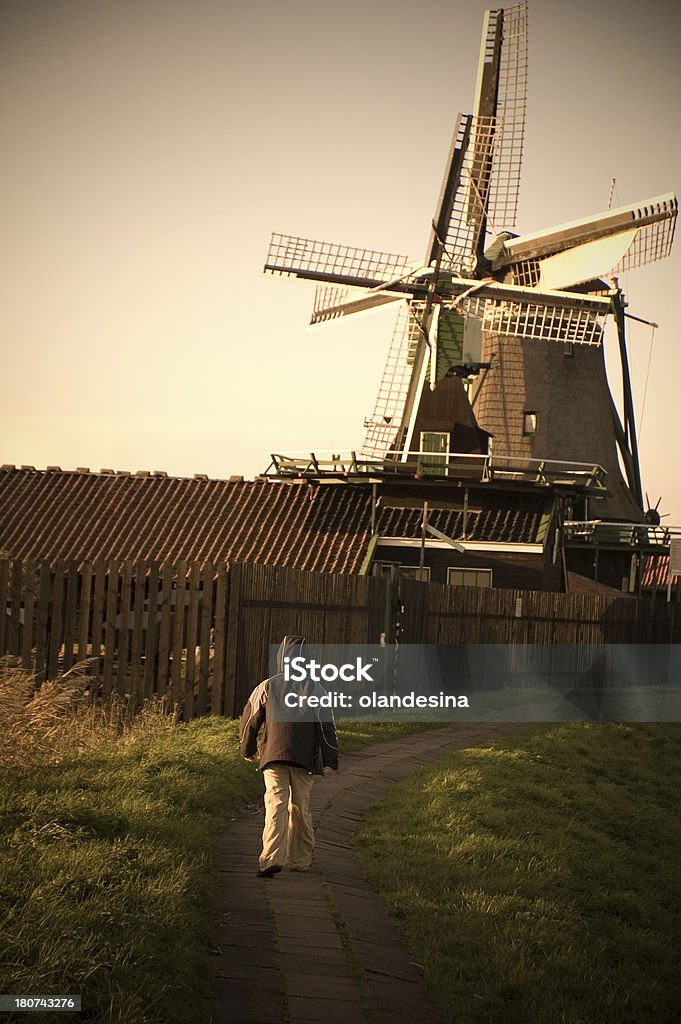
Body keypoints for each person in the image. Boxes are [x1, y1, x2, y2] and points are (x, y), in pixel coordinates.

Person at [239, 635, 339, 878]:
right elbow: (326, 730)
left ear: (280, 658)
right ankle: (299, 860)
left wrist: (247, 749)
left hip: (273, 757)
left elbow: (250, 720)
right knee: (300, 808)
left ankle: (270, 858)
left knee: (275, 805)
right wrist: (330, 761)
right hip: (304, 760)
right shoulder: (316, 689)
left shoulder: (267, 686)